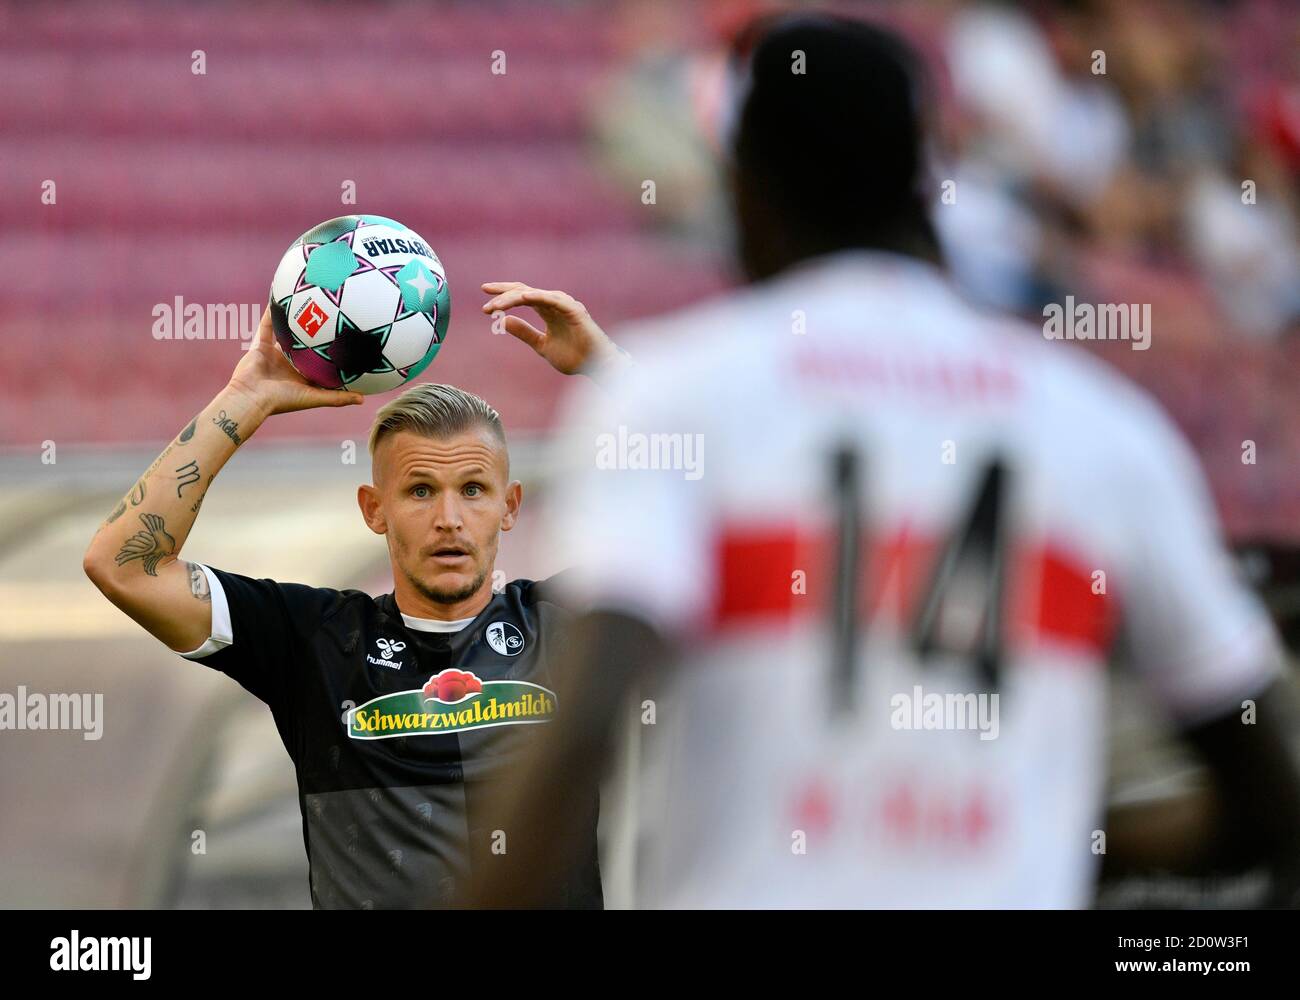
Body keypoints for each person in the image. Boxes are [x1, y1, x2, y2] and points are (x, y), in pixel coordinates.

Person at [472, 12, 1300, 908]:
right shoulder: (1103, 428)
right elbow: (1267, 795)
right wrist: (1057, 840)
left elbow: (588, 712)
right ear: (931, 181)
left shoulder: (672, 395)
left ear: (745, 187)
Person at [82, 288, 626, 910]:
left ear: (510, 506)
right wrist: (244, 400)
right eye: (420, 491)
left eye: (473, 489)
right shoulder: (313, 640)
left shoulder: (569, 623)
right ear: (374, 510)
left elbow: (722, 521)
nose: (449, 518)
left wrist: (611, 371)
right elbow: (124, 565)